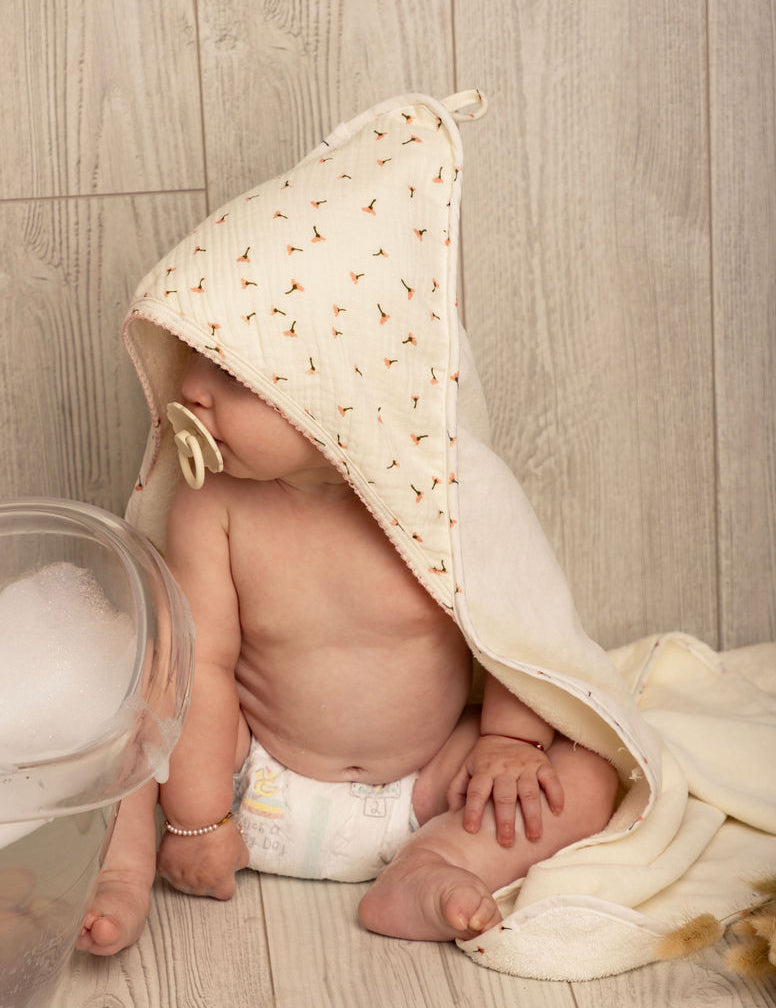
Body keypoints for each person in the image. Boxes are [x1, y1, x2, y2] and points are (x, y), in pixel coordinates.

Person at [78, 93, 620, 953]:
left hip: (426, 790)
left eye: (231, 374)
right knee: (138, 705)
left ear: (337, 385)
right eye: (191, 360)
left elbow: (521, 625)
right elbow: (203, 673)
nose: (191, 392)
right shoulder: (213, 505)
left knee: (586, 774)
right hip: (250, 788)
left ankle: (436, 865)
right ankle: (124, 866)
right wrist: (195, 818)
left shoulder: (442, 489)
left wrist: (512, 743)